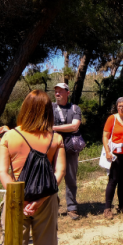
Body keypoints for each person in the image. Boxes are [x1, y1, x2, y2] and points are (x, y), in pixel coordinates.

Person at [0, 90, 66, 245]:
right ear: (48, 111)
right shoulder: (55, 138)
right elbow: (60, 172)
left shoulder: (9, 137)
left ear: (25, 108)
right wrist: (40, 200)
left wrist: (19, 198)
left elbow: (1, 172)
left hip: (16, 200)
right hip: (45, 201)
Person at [52, 83, 82, 220]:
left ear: (67, 93)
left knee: (71, 178)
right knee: (51, 177)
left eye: (60, 91)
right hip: (52, 148)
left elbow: (75, 126)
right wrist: (67, 128)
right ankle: (52, 206)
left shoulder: (75, 108)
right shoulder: (49, 108)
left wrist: (53, 128)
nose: (57, 93)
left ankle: (72, 208)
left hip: (70, 148)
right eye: (56, 91)